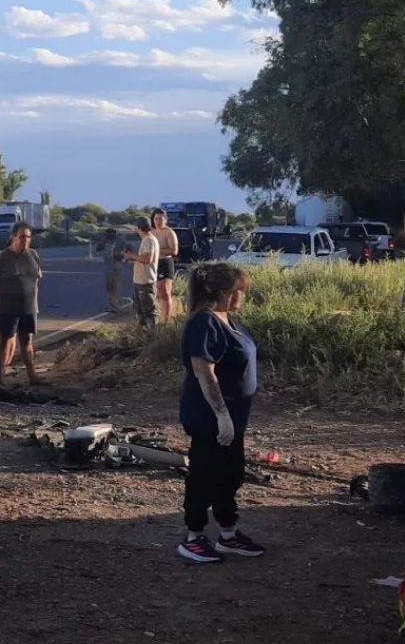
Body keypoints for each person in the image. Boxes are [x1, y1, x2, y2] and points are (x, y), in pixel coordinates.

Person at [176, 262, 265, 563]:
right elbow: (205, 372)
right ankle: (193, 536)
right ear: (223, 292)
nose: (242, 296)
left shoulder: (229, 320)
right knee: (205, 474)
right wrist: (221, 415)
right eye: (238, 291)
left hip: (235, 417)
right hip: (210, 417)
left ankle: (228, 533)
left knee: (230, 475)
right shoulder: (204, 322)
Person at [0, 222, 45, 386]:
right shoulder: (2, 257)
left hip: (28, 306)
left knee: (26, 341)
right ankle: (0, 378)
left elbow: (37, 277)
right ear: (13, 237)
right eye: (22, 237)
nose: (25, 240)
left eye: (28, 237)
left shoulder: (33, 255)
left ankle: (32, 376)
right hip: (7, 306)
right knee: (4, 339)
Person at [124, 216, 159, 328]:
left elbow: (147, 259)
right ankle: (143, 336)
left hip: (145, 281)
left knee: (149, 313)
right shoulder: (147, 240)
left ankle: (152, 337)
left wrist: (131, 256)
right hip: (141, 280)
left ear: (138, 228)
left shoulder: (149, 240)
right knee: (141, 312)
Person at [152, 208, 180, 323]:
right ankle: (156, 317)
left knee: (165, 292)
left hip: (165, 263)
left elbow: (174, 251)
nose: (158, 221)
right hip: (154, 263)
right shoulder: (152, 232)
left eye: (160, 218)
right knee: (156, 292)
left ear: (165, 220)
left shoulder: (169, 232)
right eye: (156, 218)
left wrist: (158, 250)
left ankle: (166, 320)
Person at [95, 227, 127, 312]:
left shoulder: (121, 241)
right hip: (108, 266)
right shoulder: (105, 241)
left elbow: (127, 250)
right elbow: (98, 248)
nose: (109, 235)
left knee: (115, 286)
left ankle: (115, 304)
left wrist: (122, 258)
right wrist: (103, 240)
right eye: (108, 234)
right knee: (109, 286)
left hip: (117, 266)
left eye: (111, 234)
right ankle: (111, 304)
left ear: (115, 234)